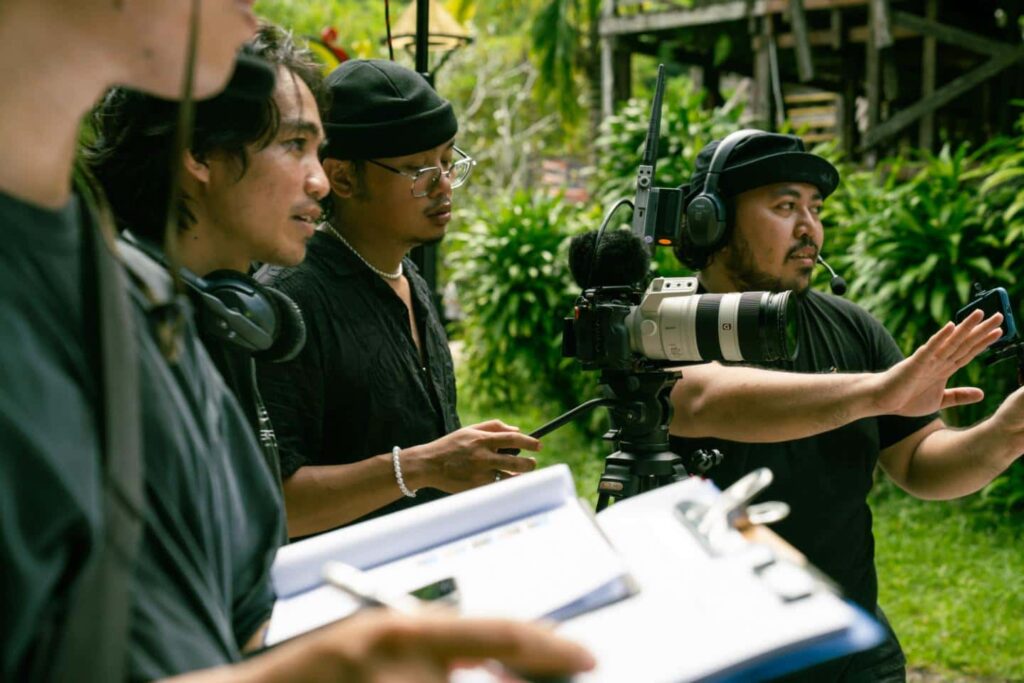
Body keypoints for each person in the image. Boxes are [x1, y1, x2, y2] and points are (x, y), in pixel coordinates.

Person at [0, 1, 594, 681]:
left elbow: (208, 605)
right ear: (200, 156)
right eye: (294, 146)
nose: (318, 179)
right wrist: (328, 662)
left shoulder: (150, 298)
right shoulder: (79, 303)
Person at [667, 130, 1024, 681]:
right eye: (785, 206)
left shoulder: (852, 326)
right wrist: (879, 392)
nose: (809, 227)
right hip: (715, 651)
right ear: (710, 221)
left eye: (815, 209)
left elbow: (918, 461)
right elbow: (701, 398)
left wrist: (1005, 433)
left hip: (851, 645)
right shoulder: (664, 324)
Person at [256, 59, 538, 537]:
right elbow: (272, 502)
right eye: (417, 170)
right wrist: (422, 467)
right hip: (338, 580)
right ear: (342, 178)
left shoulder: (409, 279)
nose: (443, 185)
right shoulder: (288, 304)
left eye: (447, 162)